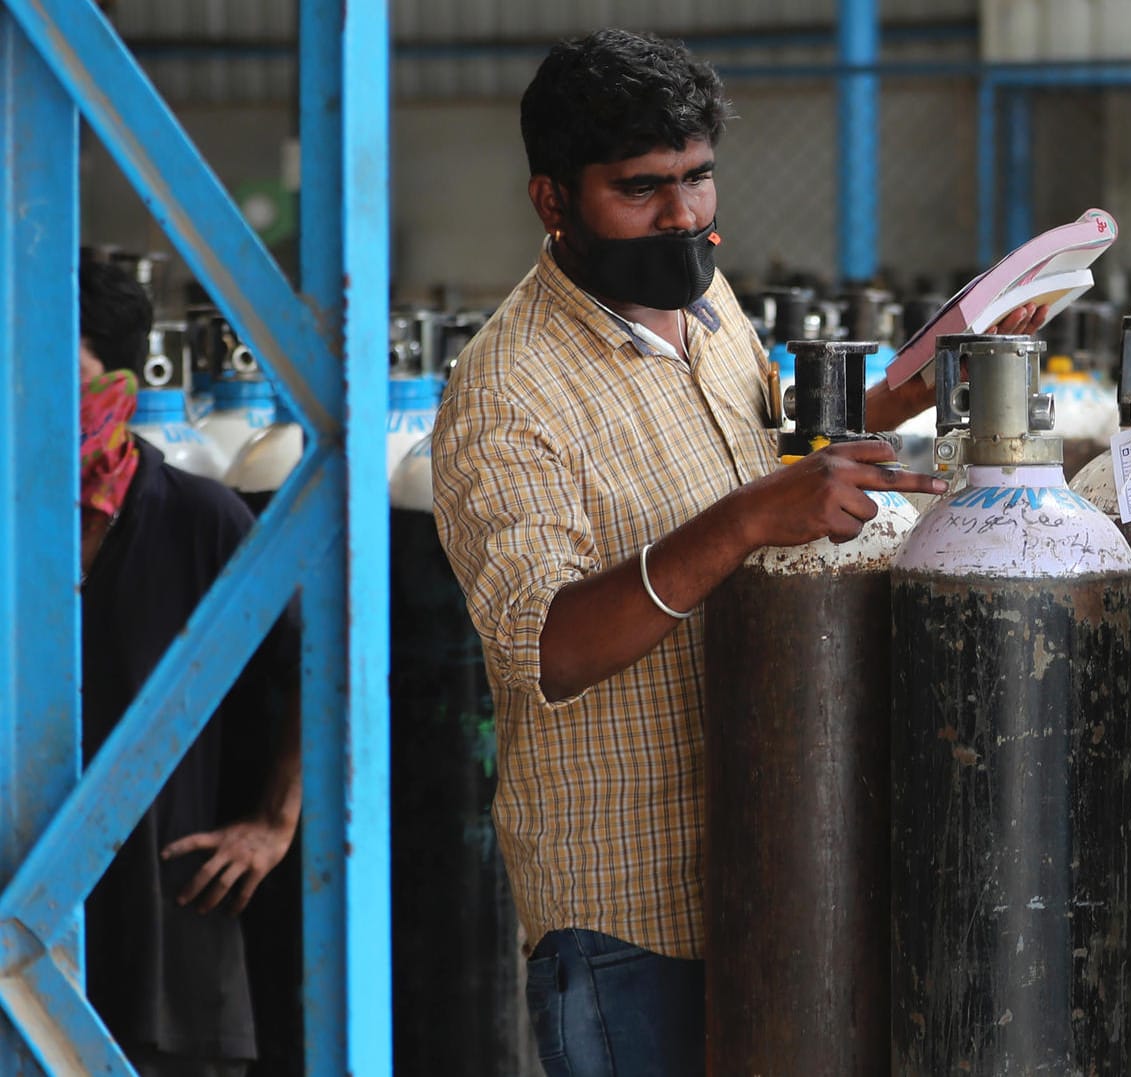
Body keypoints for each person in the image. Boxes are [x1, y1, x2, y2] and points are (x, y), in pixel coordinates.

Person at [430, 31, 1044, 1075]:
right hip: (627, 910)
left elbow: (775, 435)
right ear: (552, 200)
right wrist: (746, 521)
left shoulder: (705, 305)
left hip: (773, 849)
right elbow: (546, 650)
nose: (684, 215)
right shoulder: (509, 394)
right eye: (642, 189)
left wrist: (921, 376)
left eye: (698, 177)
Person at [78, 256, 302, 1077]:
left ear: (121, 382)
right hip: (23, 931)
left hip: (169, 955)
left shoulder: (201, 521)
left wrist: (274, 822)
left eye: (56, 368)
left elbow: (320, 666)